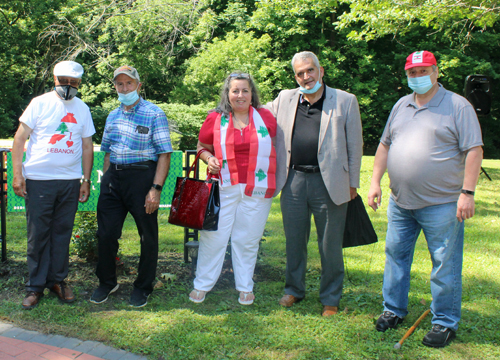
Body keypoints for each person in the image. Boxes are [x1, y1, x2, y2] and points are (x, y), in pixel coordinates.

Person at [368, 51, 483, 347]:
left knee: (444, 263)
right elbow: (384, 145)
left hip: (442, 204)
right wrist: (374, 182)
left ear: (436, 71)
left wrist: (467, 193)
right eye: (412, 72)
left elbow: (474, 150)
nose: (417, 77)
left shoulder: (458, 105)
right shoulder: (401, 105)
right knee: (395, 256)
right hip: (400, 201)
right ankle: (393, 310)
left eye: (423, 71)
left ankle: (444, 322)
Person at [267, 51, 363, 316]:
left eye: (310, 70)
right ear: (295, 76)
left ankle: (330, 297)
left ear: (321, 70)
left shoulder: (345, 101)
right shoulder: (285, 98)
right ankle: (293, 290)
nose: (306, 77)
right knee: (294, 240)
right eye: (300, 73)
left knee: (329, 244)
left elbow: (355, 146)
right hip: (293, 180)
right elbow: (255, 113)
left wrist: (352, 184)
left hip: (330, 182)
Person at [12, 60, 95, 309]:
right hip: (39, 181)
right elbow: (19, 139)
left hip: (69, 181)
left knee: (62, 233)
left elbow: (87, 146)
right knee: (38, 235)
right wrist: (18, 174)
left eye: (74, 82)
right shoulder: (40, 103)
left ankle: (58, 281)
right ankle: (34, 286)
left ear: (79, 83)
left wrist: (85, 179)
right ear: (55, 79)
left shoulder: (82, 108)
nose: (68, 86)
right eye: (64, 81)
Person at [189, 72, 277, 305]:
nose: (240, 95)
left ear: (252, 94)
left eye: (245, 90)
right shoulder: (215, 118)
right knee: (213, 237)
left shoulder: (266, 117)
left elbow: (276, 146)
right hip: (223, 187)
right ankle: (202, 283)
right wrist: (209, 159)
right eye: (235, 90)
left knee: (247, 239)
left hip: (256, 189)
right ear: (227, 94)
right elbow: (201, 147)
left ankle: (245, 285)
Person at [90, 65, 172, 308]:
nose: (124, 88)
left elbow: (164, 155)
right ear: (115, 87)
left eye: (129, 83)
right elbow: (106, 153)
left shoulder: (154, 113)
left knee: (147, 236)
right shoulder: (112, 116)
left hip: (142, 179)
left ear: (139, 85)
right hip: (113, 179)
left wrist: (155, 189)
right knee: (105, 234)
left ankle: (143, 286)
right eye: (119, 84)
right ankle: (107, 283)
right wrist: (106, 182)